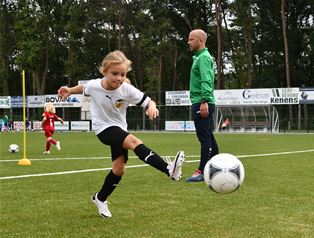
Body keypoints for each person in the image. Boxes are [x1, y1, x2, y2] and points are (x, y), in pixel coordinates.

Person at [58, 50, 185, 218]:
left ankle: (100, 198)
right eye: (114, 73)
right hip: (103, 129)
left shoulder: (126, 89)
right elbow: (84, 88)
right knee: (133, 141)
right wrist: (69, 90)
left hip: (119, 129)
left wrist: (152, 107)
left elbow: (148, 101)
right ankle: (169, 169)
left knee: (119, 170)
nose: (119, 78)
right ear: (104, 72)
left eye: (123, 74)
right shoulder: (95, 85)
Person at [186, 29, 219, 182]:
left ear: (200, 41)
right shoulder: (198, 58)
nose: (188, 42)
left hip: (202, 102)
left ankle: (201, 171)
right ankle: (217, 166)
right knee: (208, 136)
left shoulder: (204, 58)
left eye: (191, 39)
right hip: (200, 101)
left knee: (204, 138)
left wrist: (204, 100)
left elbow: (206, 80)